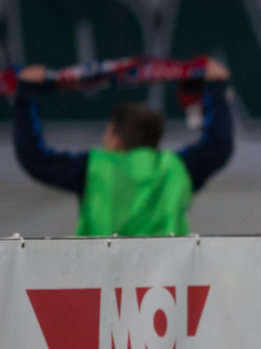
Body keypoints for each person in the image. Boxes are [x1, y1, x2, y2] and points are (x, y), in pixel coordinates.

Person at [13, 57, 234, 237]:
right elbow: (219, 145)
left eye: (107, 131)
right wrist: (215, 89)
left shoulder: (94, 169)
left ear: (116, 139)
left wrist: (27, 93)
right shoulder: (175, 168)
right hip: (168, 277)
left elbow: (34, 157)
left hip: (101, 276)